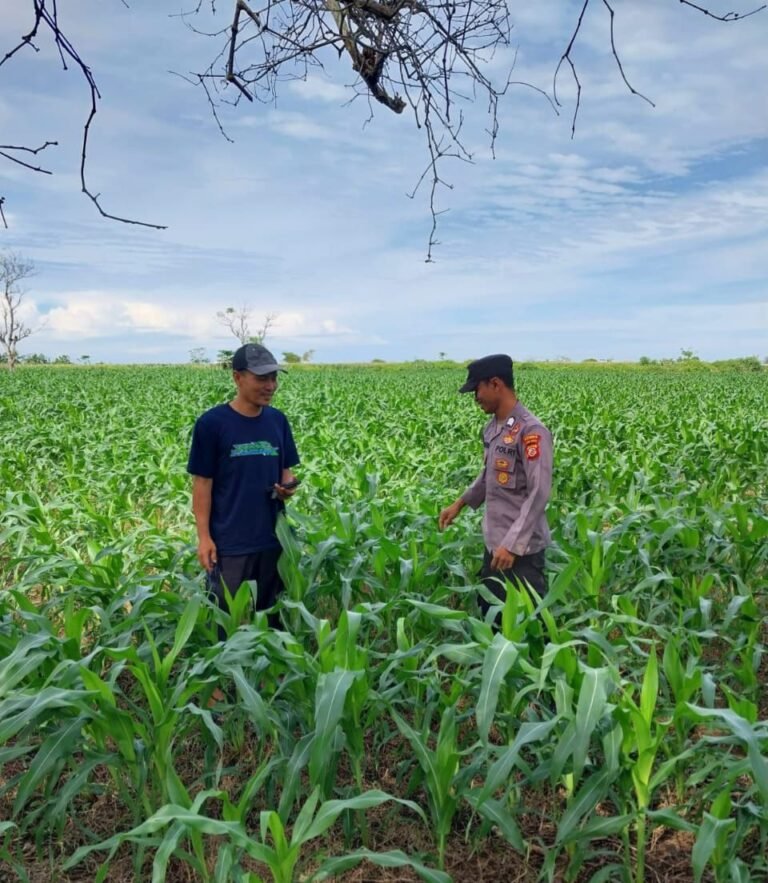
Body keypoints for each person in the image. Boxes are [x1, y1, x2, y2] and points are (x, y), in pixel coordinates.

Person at [187, 343, 300, 634]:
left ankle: (270, 678)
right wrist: (204, 537)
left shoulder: (278, 421)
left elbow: (286, 468)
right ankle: (226, 678)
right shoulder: (212, 424)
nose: (271, 385)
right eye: (262, 378)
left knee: (272, 620)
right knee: (225, 622)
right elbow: (202, 484)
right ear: (237, 378)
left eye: (274, 378)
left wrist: (287, 487)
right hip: (229, 543)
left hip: (273, 538)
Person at [438, 354, 552, 618]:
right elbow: (490, 474)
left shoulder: (531, 431)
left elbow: (539, 492)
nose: (475, 397)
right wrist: (461, 503)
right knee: (491, 619)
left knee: (528, 626)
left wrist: (512, 545)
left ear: (496, 384)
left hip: (520, 551)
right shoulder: (494, 429)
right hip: (495, 545)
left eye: (477, 389)